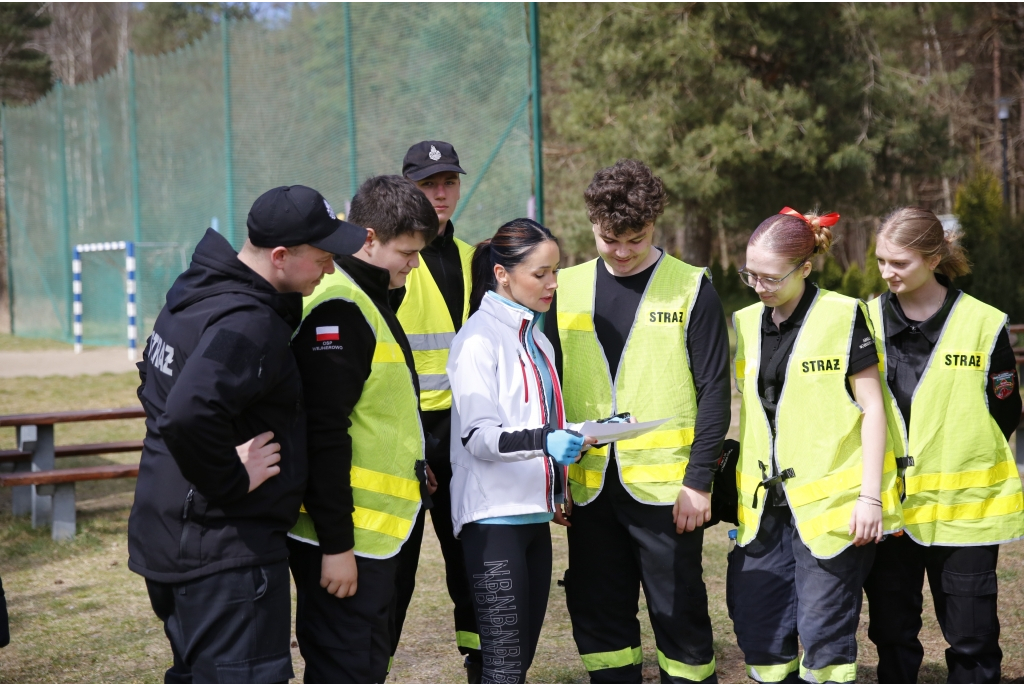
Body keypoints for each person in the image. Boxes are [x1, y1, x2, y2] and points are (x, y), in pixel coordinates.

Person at [128, 185, 363, 684]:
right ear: (280, 256)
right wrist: (232, 477)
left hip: (169, 533)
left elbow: (154, 384)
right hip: (222, 550)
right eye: (322, 258)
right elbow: (187, 414)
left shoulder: (195, 292)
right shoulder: (249, 322)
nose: (329, 271)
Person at [546, 159, 731, 684]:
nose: (623, 252)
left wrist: (699, 482)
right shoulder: (564, 288)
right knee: (598, 614)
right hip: (588, 489)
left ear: (655, 224)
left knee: (679, 613)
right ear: (591, 224)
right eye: (610, 240)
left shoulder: (691, 287)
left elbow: (715, 392)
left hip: (669, 492)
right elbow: (551, 390)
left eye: (637, 239)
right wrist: (555, 479)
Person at [728, 207, 904, 684]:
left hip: (833, 508)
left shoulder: (844, 316)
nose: (759, 286)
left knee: (824, 634)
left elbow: (873, 410)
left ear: (805, 268)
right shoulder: (745, 322)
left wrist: (870, 497)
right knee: (760, 632)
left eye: (771, 277)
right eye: (750, 275)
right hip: (764, 507)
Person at [862, 207, 1024, 684]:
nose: (887, 273)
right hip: (890, 508)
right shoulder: (863, 321)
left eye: (899, 263)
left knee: (973, 638)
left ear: (934, 259)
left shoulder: (983, 323)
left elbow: (1004, 412)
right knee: (891, 631)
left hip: (965, 512)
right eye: (881, 261)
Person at [287, 175, 438, 683]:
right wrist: (337, 546)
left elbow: (376, 411)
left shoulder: (370, 296)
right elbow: (323, 433)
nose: (414, 265)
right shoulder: (340, 306)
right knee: (345, 667)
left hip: (375, 536)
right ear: (369, 238)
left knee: (369, 663)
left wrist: (414, 468)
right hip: (348, 540)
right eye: (407, 253)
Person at [448, 217, 596, 685]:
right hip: (493, 521)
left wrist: (576, 446)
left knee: (516, 663)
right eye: (541, 273)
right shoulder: (477, 340)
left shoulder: (538, 339)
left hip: (534, 518)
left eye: (556, 271)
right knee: (505, 668)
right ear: (502, 274)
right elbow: (479, 436)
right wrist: (545, 441)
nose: (553, 283)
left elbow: (536, 421)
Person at [390, 140, 482, 681]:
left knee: (469, 559)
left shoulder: (473, 258)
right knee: (393, 568)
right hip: (404, 431)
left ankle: (481, 662)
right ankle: (370, 665)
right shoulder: (387, 262)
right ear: (408, 188)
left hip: (461, 432)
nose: (440, 192)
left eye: (448, 181)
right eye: (428, 183)